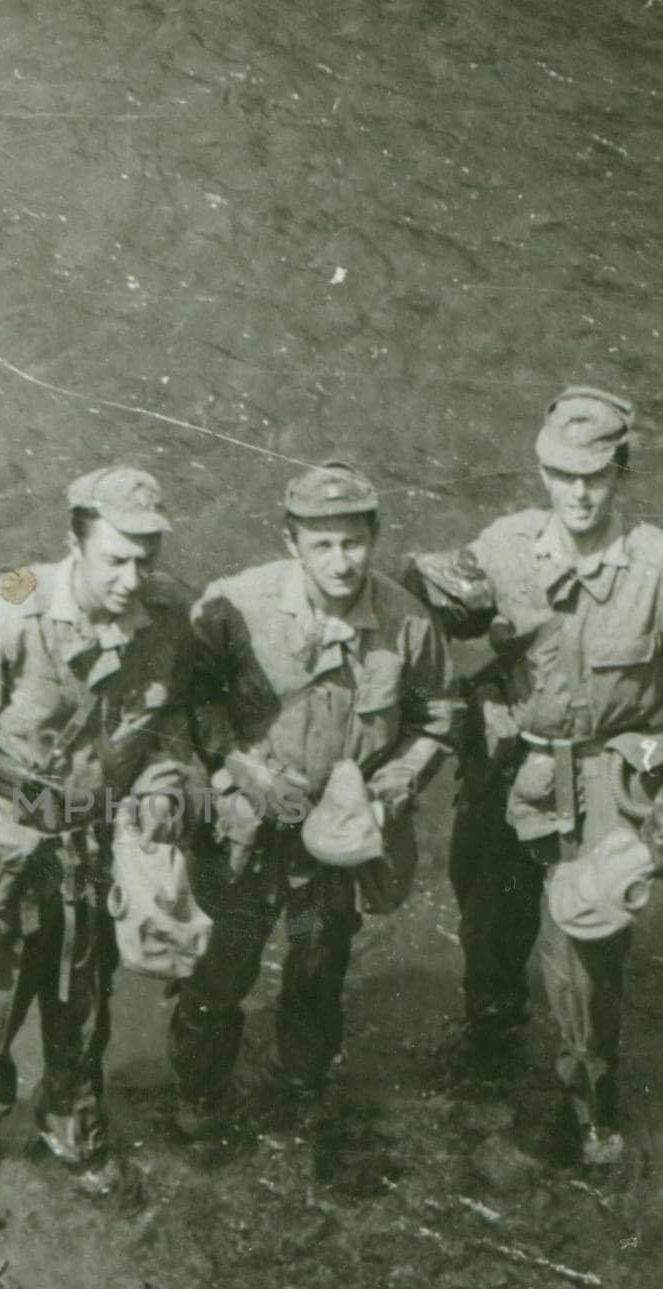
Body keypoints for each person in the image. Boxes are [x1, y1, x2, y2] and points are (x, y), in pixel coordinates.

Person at [408, 386, 663, 1163]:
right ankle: (489, 1064)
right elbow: (437, 610)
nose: (578, 493)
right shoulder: (507, 545)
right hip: (509, 769)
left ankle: (591, 1109)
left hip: (605, 785)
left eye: (595, 475)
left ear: (621, 471)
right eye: (561, 475)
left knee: (585, 959)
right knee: (487, 926)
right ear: (542, 471)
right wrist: (416, 587)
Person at [0, 465, 200, 1209]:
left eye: (147, 559)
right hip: (9, 840)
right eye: (116, 559)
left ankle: (71, 1115)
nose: (134, 579)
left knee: (86, 990)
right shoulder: (5, 604)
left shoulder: (170, 615)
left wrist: (161, 790)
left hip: (99, 842)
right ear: (76, 543)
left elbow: (169, 727)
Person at [168, 461, 459, 1138]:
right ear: (291, 539)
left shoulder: (406, 623)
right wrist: (238, 766)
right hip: (247, 832)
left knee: (318, 960)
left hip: (335, 841)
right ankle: (200, 1095)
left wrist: (387, 791)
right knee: (222, 966)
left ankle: (300, 1084)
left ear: (376, 536)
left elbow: (439, 716)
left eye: (353, 542)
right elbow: (193, 698)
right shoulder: (236, 607)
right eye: (321, 543)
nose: (340, 561)